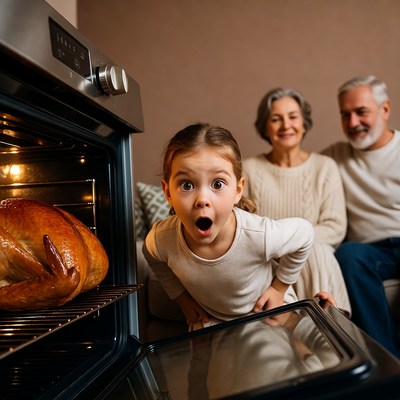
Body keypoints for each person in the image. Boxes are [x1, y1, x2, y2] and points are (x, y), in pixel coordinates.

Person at [143, 122, 331, 331]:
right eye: (187, 185)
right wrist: (182, 299)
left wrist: (279, 289)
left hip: (267, 314)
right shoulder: (161, 239)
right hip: (215, 321)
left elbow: (304, 233)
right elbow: (151, 256)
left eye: (217, 184)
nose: (202, 199)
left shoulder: (259, 234)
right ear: (167, 192)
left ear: (238, 190)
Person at [243, 88, 351, 316]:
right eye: (275, 119)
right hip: (267, 258)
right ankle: (322, 332)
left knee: (318, 251)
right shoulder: (249, 169)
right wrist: (287, 247)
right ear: (265, 126)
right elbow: (243, 225)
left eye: (293, 116)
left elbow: (334, 227)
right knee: (311, 252)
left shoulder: (325, 167)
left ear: (304, 123)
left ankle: (328, 330)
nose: (286, 125)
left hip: (313, 256)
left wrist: (295, 248)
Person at [322, 75, 400, 358]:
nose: (353, 123)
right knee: (349, 254)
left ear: (385, 109)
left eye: (361, 112)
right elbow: (298, 171)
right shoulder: (333, 158)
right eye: (345, 115)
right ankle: (389, 365)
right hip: (370, 252)